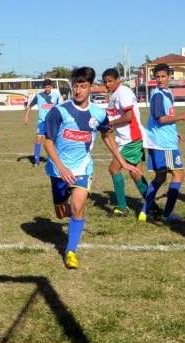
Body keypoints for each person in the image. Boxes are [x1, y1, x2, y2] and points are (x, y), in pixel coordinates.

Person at [44, 67, 140, 269]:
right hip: (59, 170)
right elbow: (48, 143)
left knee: (78, 206)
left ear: (90, 87)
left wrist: (122, 162)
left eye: (83, 86)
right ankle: (73, 217)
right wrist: (60, 167)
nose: (78, 90)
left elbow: (107, 136)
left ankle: (70, 251)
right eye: (75, 85)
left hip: (82, 168)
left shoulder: (98, 113)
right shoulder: (59, 111)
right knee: (61, 213)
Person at [138, 63, 185, 223]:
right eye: (157, 77)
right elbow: (161, 119)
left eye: (163, 76)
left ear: (169, 77)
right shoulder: (158, 94)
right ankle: (167, 214)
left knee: (160, 178)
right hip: (163, 144)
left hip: (161, 140)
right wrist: (180, 117)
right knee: (178, 175)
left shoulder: (167, 93)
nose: (160, 80)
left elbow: (162, 119)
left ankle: (144, 212)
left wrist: (175, 132)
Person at [102, 68, 150, 216]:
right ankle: (151, 205)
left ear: (118, 80)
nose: (107, 84)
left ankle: (122, 208)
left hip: (132, 139)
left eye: (110, 81)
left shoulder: (123, 92)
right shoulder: (113, 95)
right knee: (135, 173)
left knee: (114, 169)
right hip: (125, 140)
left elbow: (129, 117)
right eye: (105, 82)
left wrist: (111, 124)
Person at [24, 78, 61, 166]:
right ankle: (36, 161)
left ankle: (52, 160)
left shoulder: (56, 95)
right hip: (42, 122)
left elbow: (60, 108)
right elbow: (30, 106)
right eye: (45, 87)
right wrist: (26, 116)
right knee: (38, 140)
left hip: (52, 123)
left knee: (52, 142)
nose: (47, 89)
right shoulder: (39, 96)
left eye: (48, 87)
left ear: (51, 87)